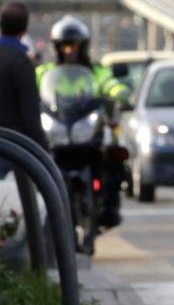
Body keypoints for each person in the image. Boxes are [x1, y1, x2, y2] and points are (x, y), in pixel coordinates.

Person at [36, 16, 128, 228]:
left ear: (82, 47)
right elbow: (32, 90)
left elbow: (109, 84)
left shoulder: (96, 70)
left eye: (74, 46)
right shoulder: (45, 72)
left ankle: (110, 207)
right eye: (64, 46)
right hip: (59, 128)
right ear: (57, 48)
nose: (69, 51)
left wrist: (120, 92)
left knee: (116, 156)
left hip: (87, 127)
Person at [0, 2, 47, 149]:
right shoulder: (22, 62)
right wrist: (43, 149)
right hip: (13, 149)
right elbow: (30, 114)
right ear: (25, 28)